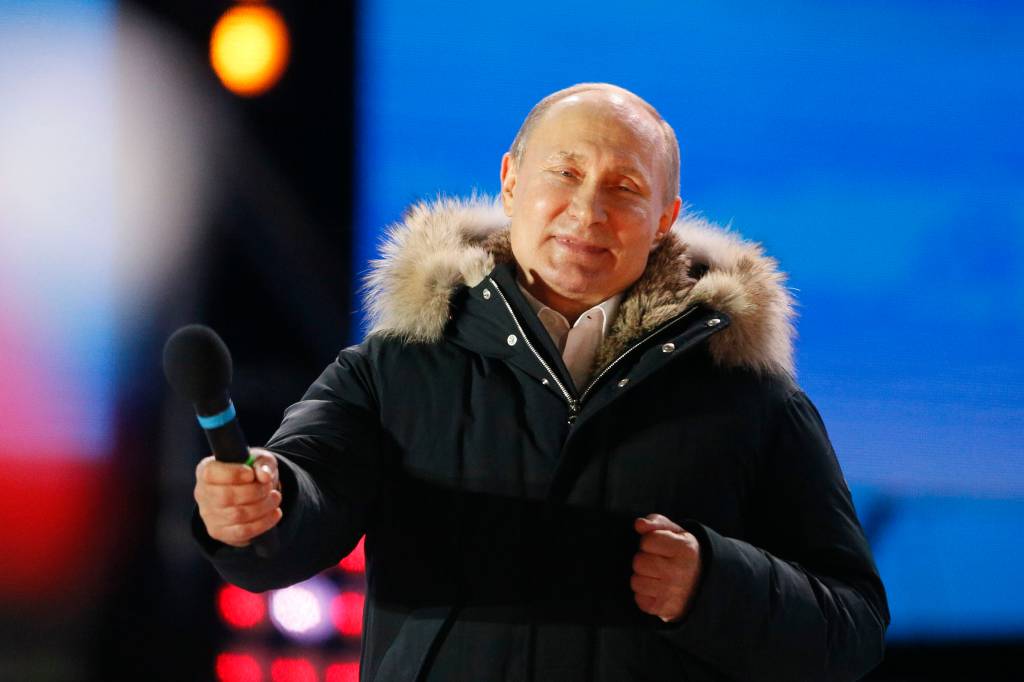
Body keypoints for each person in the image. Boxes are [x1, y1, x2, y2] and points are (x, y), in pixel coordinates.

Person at [192, 83, 889, 681]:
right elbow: (295, 510)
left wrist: (713, 583)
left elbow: (851, 631)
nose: (588, 211)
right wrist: (257, 507)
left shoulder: (751, 400)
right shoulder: (394, 367)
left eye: (625, 188)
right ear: (511, 180)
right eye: (565, 173)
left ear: (665, 220)